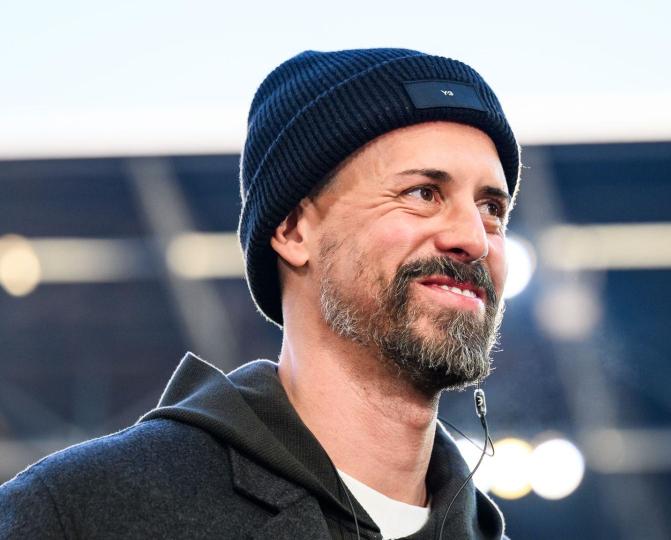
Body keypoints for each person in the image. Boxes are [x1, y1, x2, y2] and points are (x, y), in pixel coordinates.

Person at [0, 48, 521, 540]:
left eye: (492, 208)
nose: (474, 238)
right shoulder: (81, 513)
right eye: (423, 194)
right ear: (294, 230)